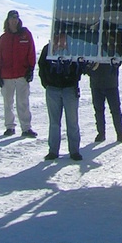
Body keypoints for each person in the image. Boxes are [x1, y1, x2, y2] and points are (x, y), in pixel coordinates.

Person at [38, 31, 83, 161]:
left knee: (72, 121)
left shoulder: (74, 48)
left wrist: (74, 79)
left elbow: (80, 66)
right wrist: (46, 83)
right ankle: (53, 151)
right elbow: (41, 65)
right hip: (53, 89)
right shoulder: (48, 48)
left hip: (69, 89)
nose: (59, 36)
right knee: (54, 122)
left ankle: (74, 151)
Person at [0, 9, 37, 138]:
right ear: (8, 20)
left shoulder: (25, 35)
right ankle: (9, 127)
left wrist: (30, 69)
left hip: (21, 75)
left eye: (16, 18)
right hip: (7, 76)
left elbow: (31, 52)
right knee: (8, 102)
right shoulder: (3, 38)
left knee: (23, 102)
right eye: (12, 18)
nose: (14, 20)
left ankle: (26, 128)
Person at [88, 62, 122, 143]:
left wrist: (115, 64)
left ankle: (120, 133)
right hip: (96, 84)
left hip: (111, 83)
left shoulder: (113, 49)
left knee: (115, 110)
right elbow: (86, 66)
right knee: (98, 110)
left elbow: (119, 60)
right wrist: (90, 68)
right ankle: (101, 133)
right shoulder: (93, 51)